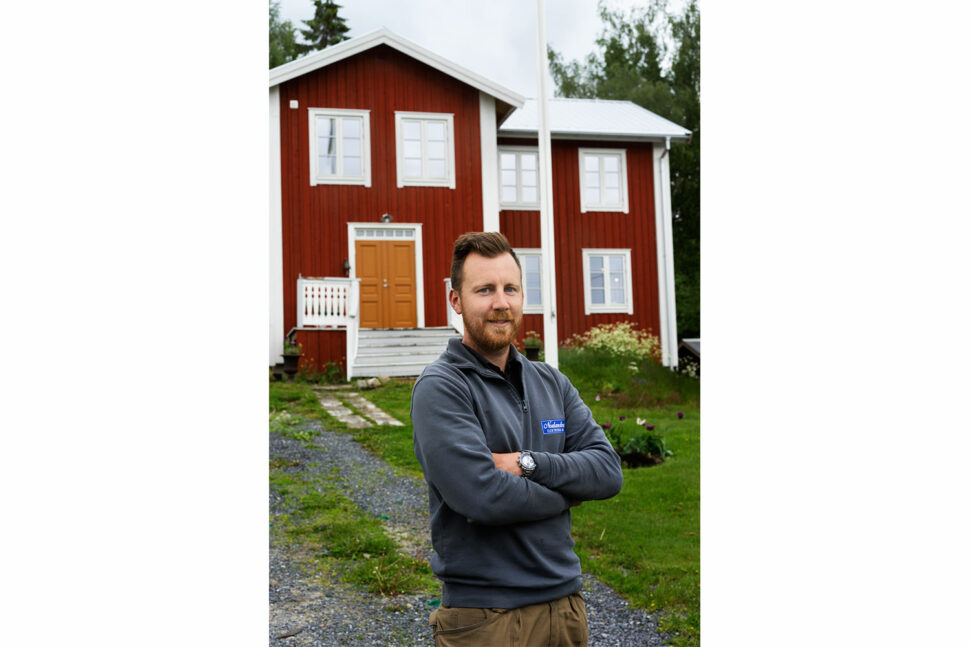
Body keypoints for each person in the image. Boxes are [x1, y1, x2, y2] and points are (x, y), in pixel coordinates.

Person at [411, 231, 623, 646]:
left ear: (523, 295)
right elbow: (482, 497)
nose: (500, 302)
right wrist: (568, 495)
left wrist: (529, 463)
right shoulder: (441, 387)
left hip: (566, 610)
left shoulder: (551, 382)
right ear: (456, 300)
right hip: (486, 619)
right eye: (484, 290)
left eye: (510, 288)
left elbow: (607, 471)